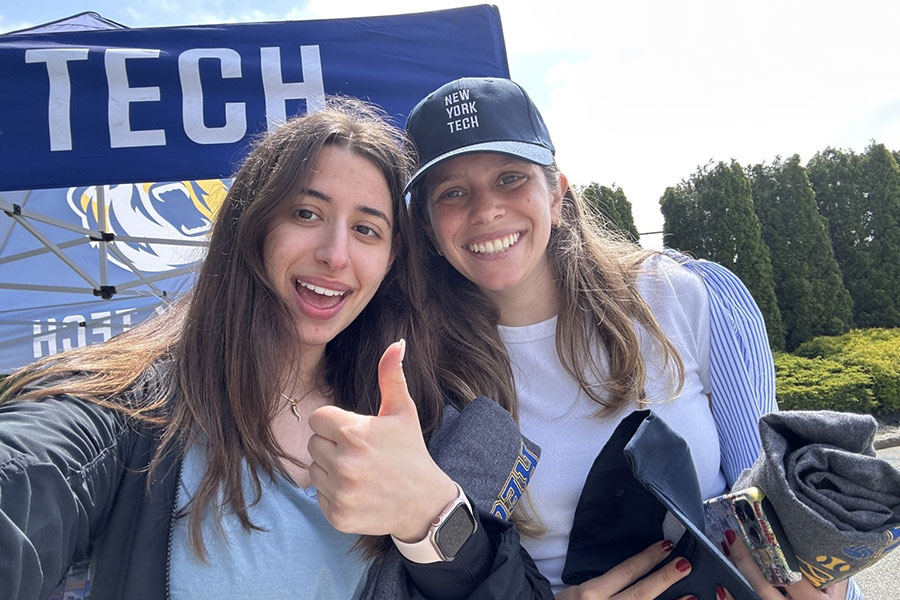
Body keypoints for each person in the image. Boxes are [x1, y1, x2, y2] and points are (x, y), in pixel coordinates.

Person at [0, 98, 550, 600]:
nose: (336, 254)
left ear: (390, 261)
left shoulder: (418, 420)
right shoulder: (134, 409)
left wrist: (432, 515)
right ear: (254, 225)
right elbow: (29, 475)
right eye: (306, 214)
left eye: (366, 230)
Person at [403, 76, 858, 600]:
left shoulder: (687, 295)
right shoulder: (423, 369)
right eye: (452, 193)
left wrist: (827, 589)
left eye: (510, 178)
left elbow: (769, 497)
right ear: (430, 230)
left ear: (557, 194)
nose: (486, 210)